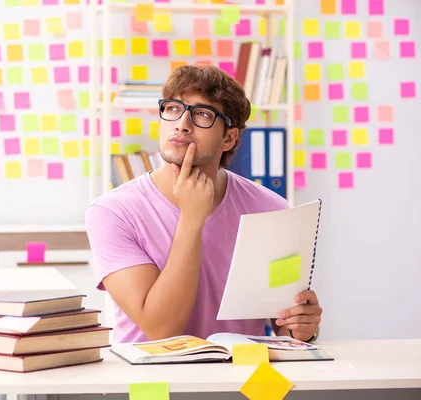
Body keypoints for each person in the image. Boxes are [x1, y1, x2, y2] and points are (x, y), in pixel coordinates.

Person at [85, 64, 322, 344]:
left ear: (229, 138)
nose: (182, 123)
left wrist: (300, 327)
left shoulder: (271, 209)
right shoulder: (112, 213)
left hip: (240, 379)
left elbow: (282, 322)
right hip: (151, 381)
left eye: (202, 114)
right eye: (173, 108)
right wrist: (191, 218)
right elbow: (162, 330)